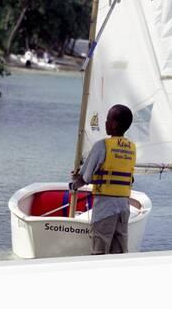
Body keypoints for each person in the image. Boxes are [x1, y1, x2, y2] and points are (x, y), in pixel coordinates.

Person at [69, 104, 136, 255]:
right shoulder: (131, 148)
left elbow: (84, 179)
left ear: (114, 124)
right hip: (123, 210)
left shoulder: (102, 145)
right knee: (118, 253)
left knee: (99, 252)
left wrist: (72, 185)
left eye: (108, 119)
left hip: (105, 209)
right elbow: (127, 179)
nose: (105, 123)